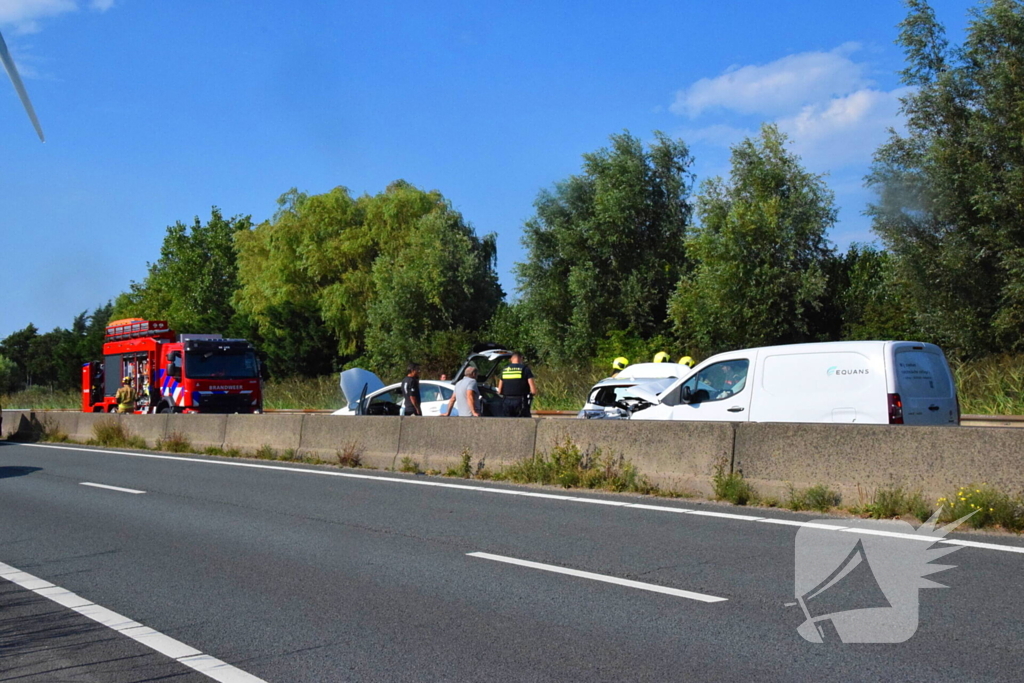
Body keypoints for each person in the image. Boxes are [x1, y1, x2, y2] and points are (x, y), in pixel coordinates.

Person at [498, 352, 537, 418]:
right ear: (521, 358)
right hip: (520, 401)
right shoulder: (525, 369)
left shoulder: (504, 370)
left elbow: (499, 390)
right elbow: (533, 390)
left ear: (511, 359)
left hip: (506, 401)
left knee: (507, 422)